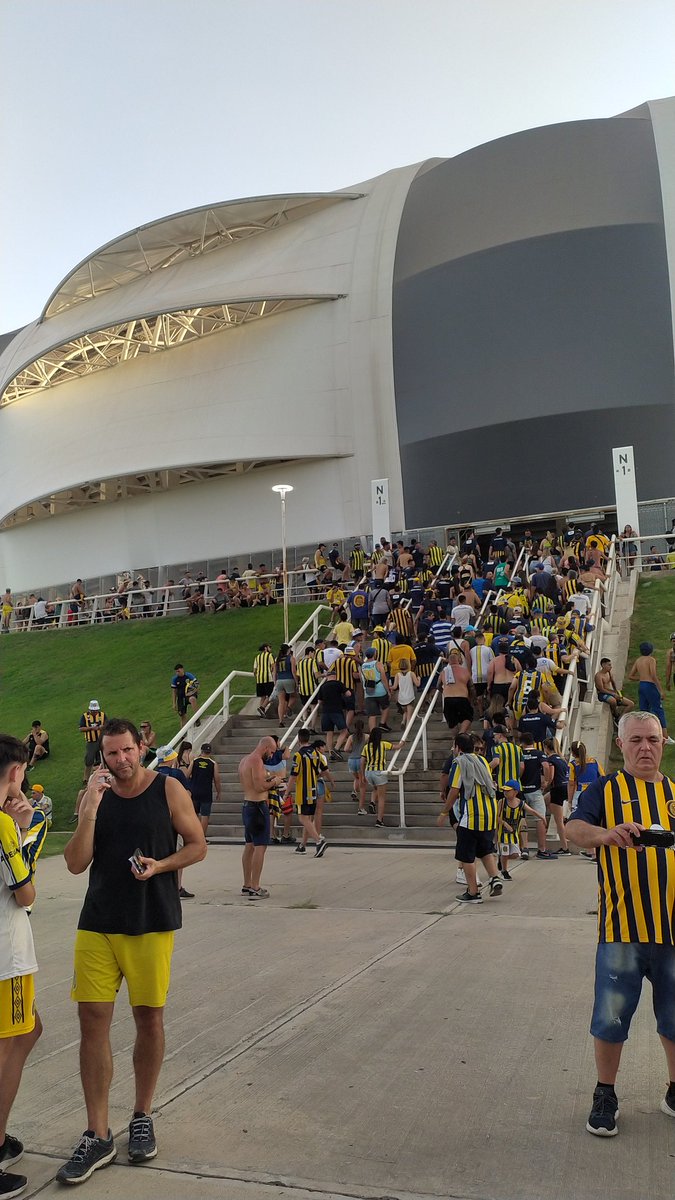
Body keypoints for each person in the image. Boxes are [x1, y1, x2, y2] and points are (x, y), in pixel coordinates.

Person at [58, 718, 206, 1185]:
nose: (121, 761)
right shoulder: (94, 796)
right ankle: (97, 1133)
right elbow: (75, 863)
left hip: (150, 922)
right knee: (92, 1024)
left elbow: (198, 845)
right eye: (111, 754)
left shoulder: (168, 790)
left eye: (127, 751)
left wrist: (162, 864)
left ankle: (141, 1115)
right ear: (101, 756)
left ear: (142, 747)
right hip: (98, 922)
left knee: (149, 1020)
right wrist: (90, 808)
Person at [566, 712, 675, 1137]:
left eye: (652, 739)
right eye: (636, 740)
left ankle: (673, 1088)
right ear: (620, 743)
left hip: (672, 930)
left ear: (664, 742)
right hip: (622, 928)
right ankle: (605, 1093)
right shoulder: (605, 789)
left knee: (674, 1017)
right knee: (612, 1017)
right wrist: (607, 834)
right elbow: (574, 828)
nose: (645, 747)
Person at [0, 734, 47, 1200]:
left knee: (30, 1029)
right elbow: (25, 893)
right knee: (10, 1044)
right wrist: (26, 828)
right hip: (6, 958)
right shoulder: (4, 826)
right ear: (16, 772)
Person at [436, 732, 503, 903]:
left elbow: (454, 790)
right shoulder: (482, 761)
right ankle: (495, 877)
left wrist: (444, 812)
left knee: (466, 856)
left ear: (458, 747)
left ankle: (473, 892)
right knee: (485, 850)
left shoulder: (459, 763)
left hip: (471, 816)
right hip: (489, 813)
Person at [238, 737, 278, 899]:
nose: (271, 755)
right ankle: (255, 886)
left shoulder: (244, 760)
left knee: (249, 846)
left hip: (247, 805)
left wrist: (266, 780)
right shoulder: (256, 761)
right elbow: (259, 786)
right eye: (272, 751)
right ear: (266, 747)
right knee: (260, 846)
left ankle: (247, 884)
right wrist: (274, 781)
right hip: (257, 807)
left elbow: (252, 782)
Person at [284, 729, 329, 857]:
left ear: (298, 739)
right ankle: (302, 845)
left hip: (302, 791)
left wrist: (287, 792)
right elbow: (325, 769)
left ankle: (318, 841)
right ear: (308, 738)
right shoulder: (316, 753)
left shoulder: (298, 755)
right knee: (308, 819)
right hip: (313, 790)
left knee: (303, 817)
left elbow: (293, 775)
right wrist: (331, 780)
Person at [628, 643, 675, 744]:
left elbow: (630, 676)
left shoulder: (638, 660)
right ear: (651, 650)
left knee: (644, 711)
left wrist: (641, 678)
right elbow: (653, 675)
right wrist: (660, 690)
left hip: (641, 686)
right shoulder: (651, 660)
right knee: (659, 710)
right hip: (650, 686)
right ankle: (665, 737)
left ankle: (646, 735)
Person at [361, 728, 403, 827]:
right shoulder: (383, 744)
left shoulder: (366, 747)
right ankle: (379, 820)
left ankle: (372, 802)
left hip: (368, 772)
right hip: (379, 772)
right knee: (382, 797)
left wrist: (362, 775)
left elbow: (362, 762)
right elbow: (397, 747)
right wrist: (403, 742)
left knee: (375, 788)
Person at [188, 743, 220, 836]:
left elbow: (187, 774)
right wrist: (219, 791)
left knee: (194, 814)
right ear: (210, 752)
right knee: (205, 815)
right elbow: (217, 779)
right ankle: (202, 836)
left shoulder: (194, 761)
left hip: (194, 791)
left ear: (201, 751)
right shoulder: (213, 763)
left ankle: (194, 835)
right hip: (206, 792)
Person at [594, 658, 634, 724]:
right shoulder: (598, 676)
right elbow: (601, 689)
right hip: (602, 694)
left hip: (611, 692)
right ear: (603, 665)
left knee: (631, 704)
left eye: (611, 665)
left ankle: (620, 718)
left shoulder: (609, 673)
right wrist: (613, 694)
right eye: (609, 665)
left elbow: (613, 682)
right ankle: (615, 714)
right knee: (613, 701)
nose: (611, 666)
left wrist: (616, 691)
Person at [273, 644, 297, 728]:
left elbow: (274, 673)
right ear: (288, 650)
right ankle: (288, 709)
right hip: (289, 679)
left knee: (281, 702)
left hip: (279, 681)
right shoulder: (291, 658)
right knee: (293, 697)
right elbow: (293, 671)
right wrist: (296, 682)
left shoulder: (277, 660)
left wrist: (275, 682)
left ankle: (281, 720)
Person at [170, 665, 200, 729]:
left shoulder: (188, 675)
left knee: (192, 699)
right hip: (181, 697)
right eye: (176, 672)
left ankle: (197, 718)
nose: (177, 673)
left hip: (189, 695)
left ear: (182, 669)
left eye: (178, 671)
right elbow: (174, 691)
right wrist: (174, 703)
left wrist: (193, 692)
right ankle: (183, 733)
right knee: (182, 715)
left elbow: (197, 685)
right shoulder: (175, 679)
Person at [253, 643, 275, 718]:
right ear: (266, 648)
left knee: (262, 696)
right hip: (268, 678)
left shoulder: (257, 657)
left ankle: (262, 713)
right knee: (271, 695)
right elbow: (273, 666)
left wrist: (257, 677)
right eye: (270, 647)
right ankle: (262, 708)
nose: (270, 648)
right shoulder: (270, 655)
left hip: (259, 679)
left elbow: (254, 670)